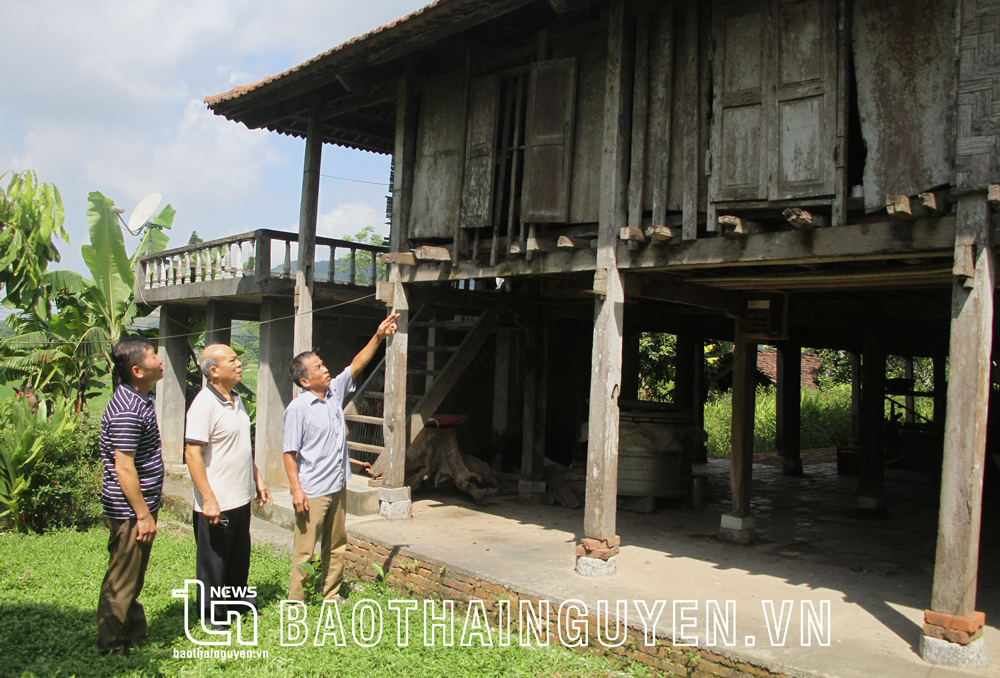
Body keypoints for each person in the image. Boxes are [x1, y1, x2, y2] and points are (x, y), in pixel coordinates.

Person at [284, 313, 399, 601]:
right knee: (305, 549)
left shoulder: (333, 393)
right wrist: (296, 490)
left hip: (337, 485)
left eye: (322, 364)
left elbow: (356, 366)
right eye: (318, 367)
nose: (325, 370)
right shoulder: (299, 408)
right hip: (312, 490)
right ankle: (296, 602)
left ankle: (331, 593)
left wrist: (378, 336)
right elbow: (289, 452)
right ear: (304, 380)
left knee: (336, 543)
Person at [185, 344, 272, 627]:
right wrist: (207, 499)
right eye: (232, 360)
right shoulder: (203, 404)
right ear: (214, 371)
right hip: (217, 500)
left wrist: (256, 477)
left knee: (238, 556)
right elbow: (192, 454)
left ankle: (236, 603)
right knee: (214, 562)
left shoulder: (236, 399)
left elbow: (239, 446)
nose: (238, 364)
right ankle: (214, 616)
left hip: (239, 497)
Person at [96, 336, 165, 655]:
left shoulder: (139, 399)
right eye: (153, 355)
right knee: (122, 578)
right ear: (137, 370)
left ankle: (134, 635)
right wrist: (142, 514)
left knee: (131, 576)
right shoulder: (127, 408)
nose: (159, 358)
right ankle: (112, 647)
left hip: (137, 507)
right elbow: (124, 467)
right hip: (129, 511)